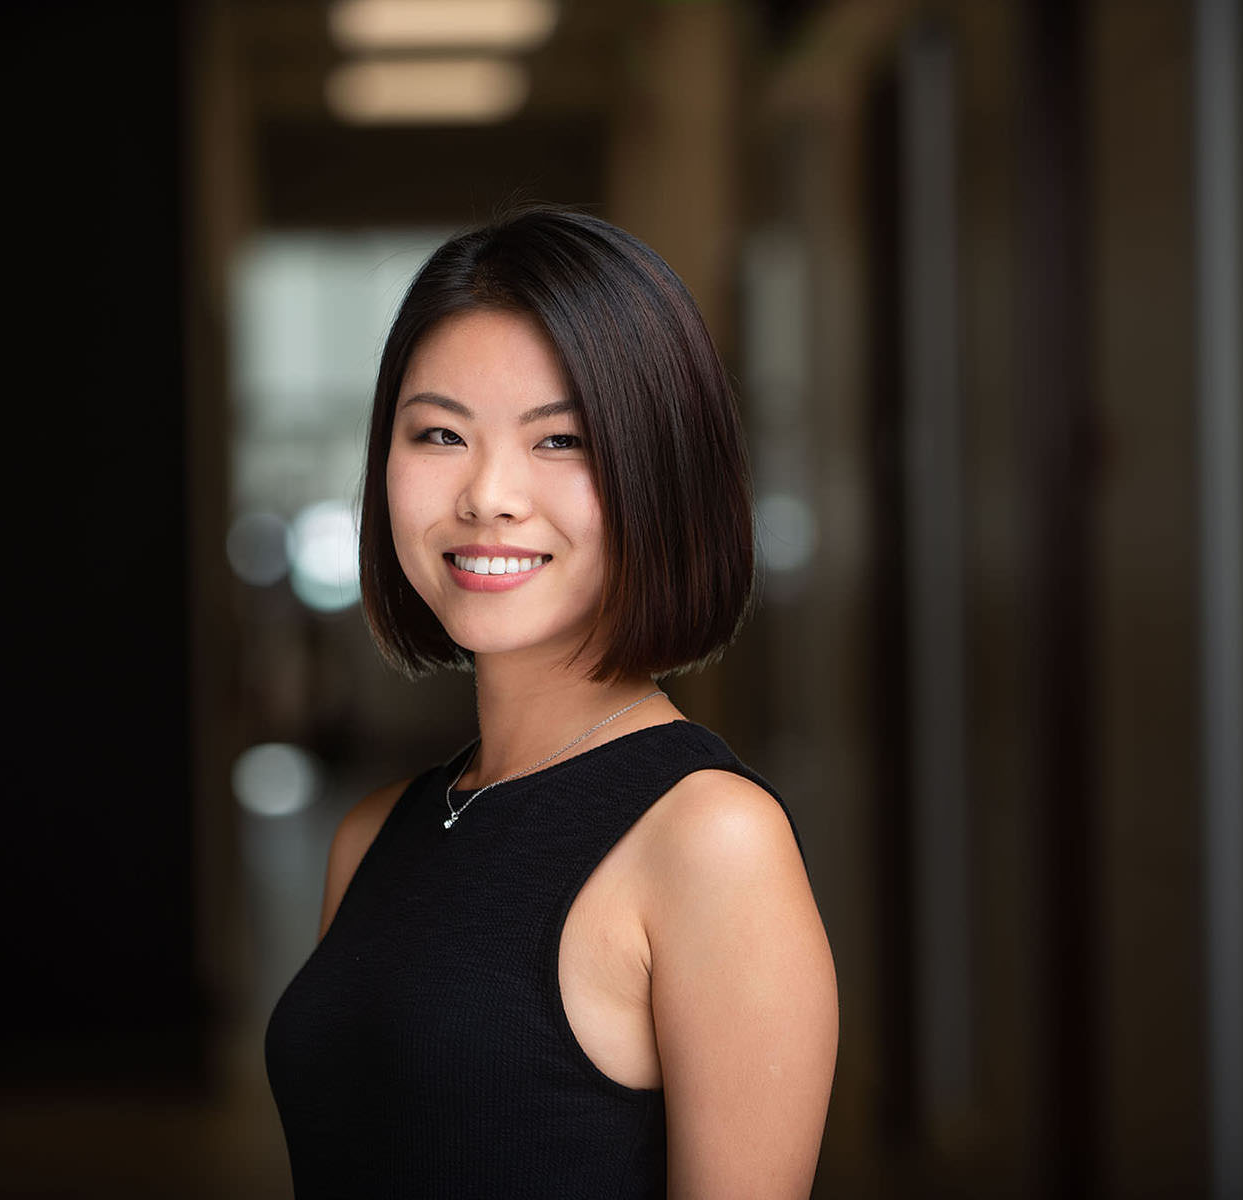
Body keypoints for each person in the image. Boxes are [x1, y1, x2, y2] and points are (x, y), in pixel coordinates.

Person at [264, 207, 838, 1198]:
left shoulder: (712, 842)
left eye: (561, 440)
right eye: (439, 433)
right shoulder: (371, 838)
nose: (488, 495)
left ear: (660, 470)